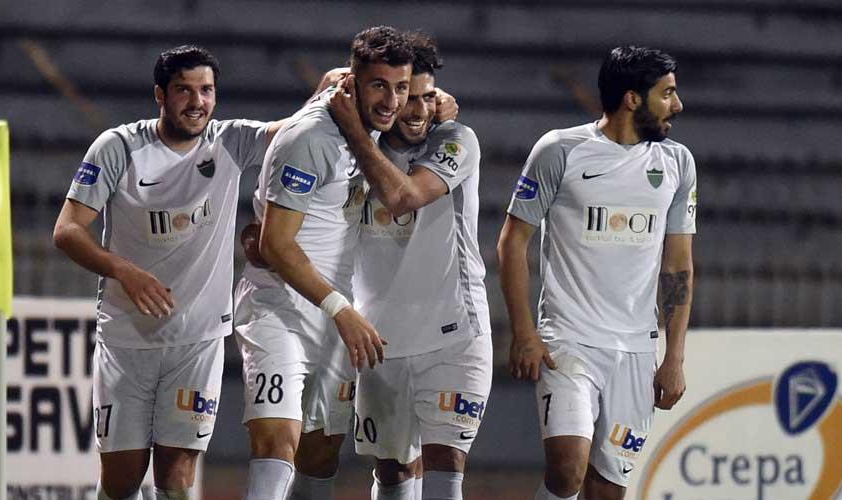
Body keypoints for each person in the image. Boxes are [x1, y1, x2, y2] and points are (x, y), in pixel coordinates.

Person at [52, 45, 283, 500]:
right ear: (160, 94)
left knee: (176, 476)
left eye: (207, 90)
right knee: (122, 480)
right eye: (184, 90)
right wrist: (124, 271)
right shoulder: (119, 147)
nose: (197, 102)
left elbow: (295, 132)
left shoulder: (230, 141)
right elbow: (67, 230)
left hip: (197, 339)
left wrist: (331, 92)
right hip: (128, 336)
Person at [497, 46, 696, 500]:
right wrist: (525, 332)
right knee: (567, 469)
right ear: (632, 99)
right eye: (667, 93)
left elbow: (678, 264)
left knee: (607, 490)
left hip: (636, 349)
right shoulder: (560, 150)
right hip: (569, 340)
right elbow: (513, 241)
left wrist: (674, 357)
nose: (678, 105)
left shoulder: (677, 163)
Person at [233, 26, 413, 500]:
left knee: (320, 457)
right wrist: (341, 309)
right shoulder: (309, 137)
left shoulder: (367, 126)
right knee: (277, 440)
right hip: (279, 306)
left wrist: (442, 103)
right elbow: (275, 244)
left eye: (401, 87)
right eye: (379, 86)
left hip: (334, 316)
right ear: (354, 83)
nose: (392, 101)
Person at [324, 32, 492, 500]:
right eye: (405, 96)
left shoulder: (456, 140)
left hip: (455, 333)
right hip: (380, 337)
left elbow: (403, 197)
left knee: (445, 464)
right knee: (393, 471)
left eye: (426, 97)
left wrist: (357, 132)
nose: (417, 110)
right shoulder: (346, 146)